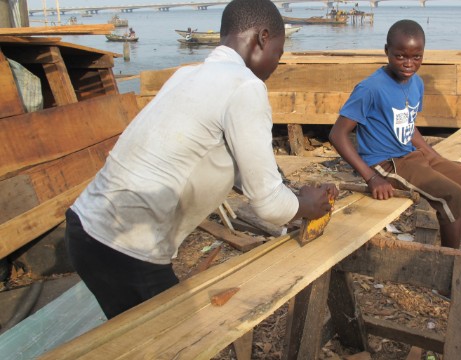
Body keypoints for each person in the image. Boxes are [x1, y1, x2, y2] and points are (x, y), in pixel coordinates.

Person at [65, 0, 338, 319]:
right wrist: (308, 205)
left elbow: (229, 164)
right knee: (176, 341)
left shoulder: (187, 75)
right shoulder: (246, 86)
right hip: (126, 247)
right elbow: (269, 207)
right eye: (278, 54)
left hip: (84, 229)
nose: (275, 66)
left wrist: (291, 193)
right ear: (263, 37)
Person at [329, 19, 461, 252]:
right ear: (386, 51)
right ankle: (452, 261)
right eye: (400, 56)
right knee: (453, 198)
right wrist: (371, 178)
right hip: (388, 163)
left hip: (412, 155)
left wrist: (437, 158)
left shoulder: (416, 83)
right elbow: (337, 135)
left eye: (416, 57)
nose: (408, 64)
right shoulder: (370, 88)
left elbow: (409, 126)